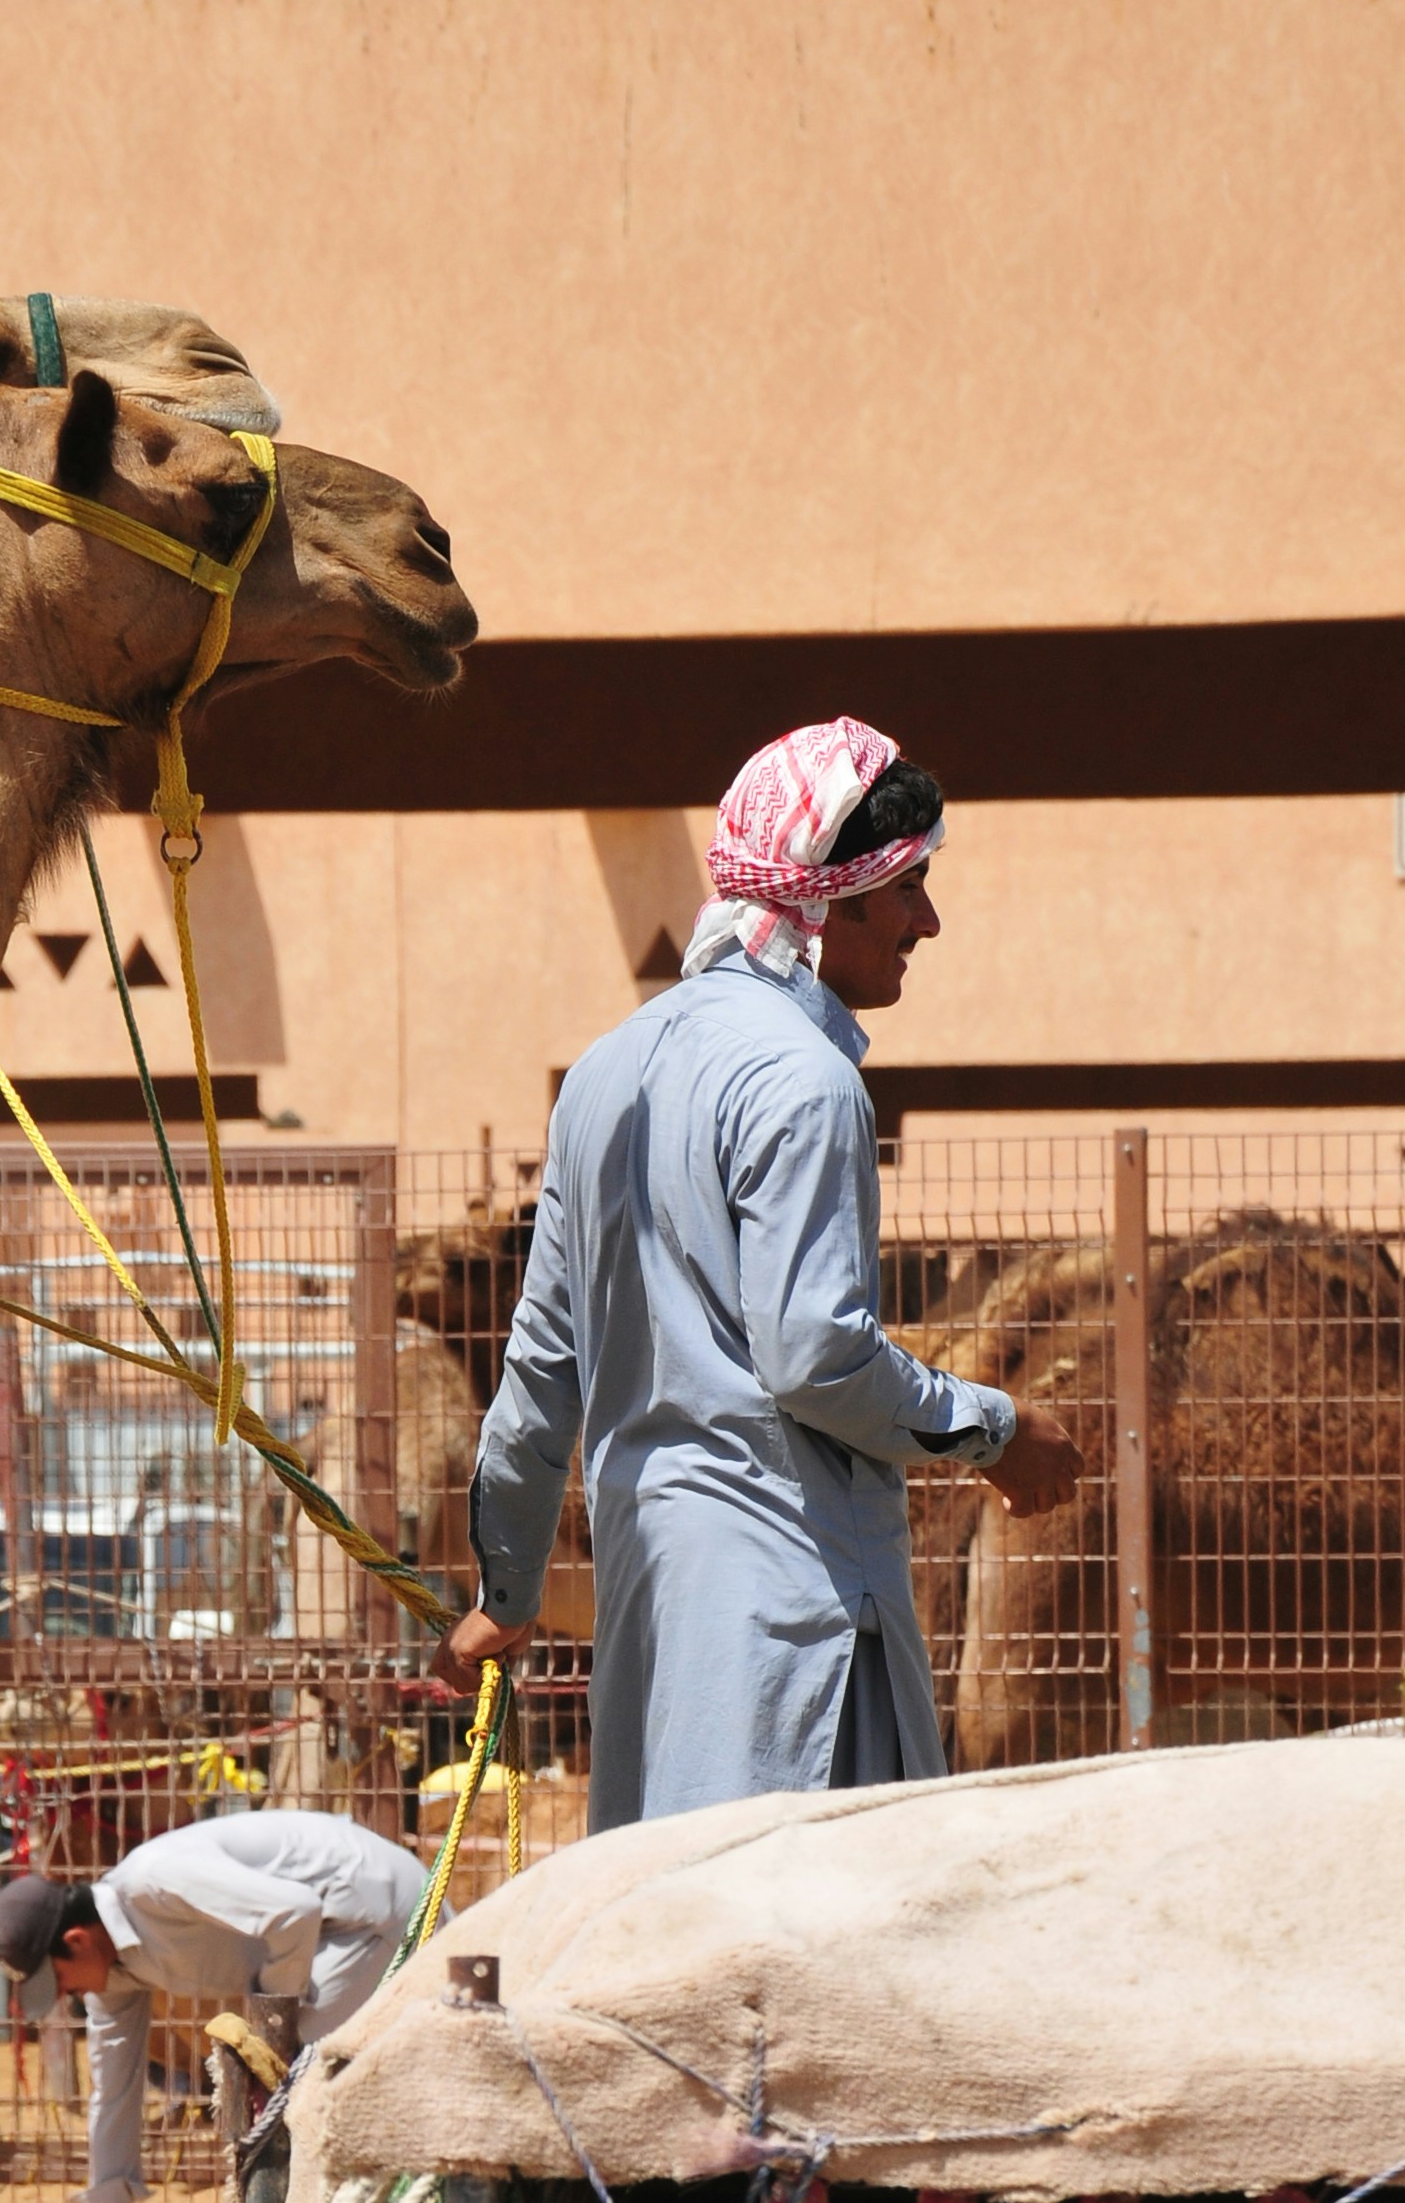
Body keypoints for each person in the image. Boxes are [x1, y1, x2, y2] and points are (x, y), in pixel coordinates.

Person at [437, 719, 1083, 1822]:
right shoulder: (806, 1081)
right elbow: (815, 1356)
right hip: (796, 1626)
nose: (927, 921)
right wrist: (996, 1430)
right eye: (907, 887)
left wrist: (506, 1589)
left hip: (653, 1617)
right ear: (824, 902)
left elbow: (539, 1369)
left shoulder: (600, 1074)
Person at [0, 1810, 427, 2203]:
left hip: (374, 1916)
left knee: (304, 2106)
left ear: (77, 1940)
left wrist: (277, 2038)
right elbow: (113, 2111)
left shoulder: (155, 1881)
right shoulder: (114, 1976)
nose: (67, 1997)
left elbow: (295, 1913)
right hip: (328, 1941)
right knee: (294, 2104)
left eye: (60, 1981)